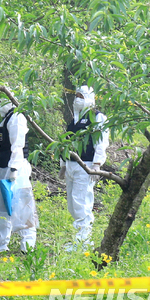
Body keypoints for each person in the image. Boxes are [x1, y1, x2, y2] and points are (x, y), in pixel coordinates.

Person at [58, 85, 109, 251]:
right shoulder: (74, 120)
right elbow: (65, 143)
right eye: (76, 95)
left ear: (89, 98)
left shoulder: (98, 117)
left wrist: (97, 164)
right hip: (71, 165)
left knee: (82, 202)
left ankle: (83, 242)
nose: (77, 99)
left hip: (85, 165)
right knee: (72, 204)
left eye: (81, 96)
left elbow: (101, 142)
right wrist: (63, 165)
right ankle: (79, 238)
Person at [0, 102, 38, 253]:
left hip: (17, 169)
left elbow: (18, 145)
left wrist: (15, 168)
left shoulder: (17, 117)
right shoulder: (6, 119)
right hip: (5, 168)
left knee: (23, 207)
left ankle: (27, 245)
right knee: (3, 206)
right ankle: (0, 244)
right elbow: (3, 146)